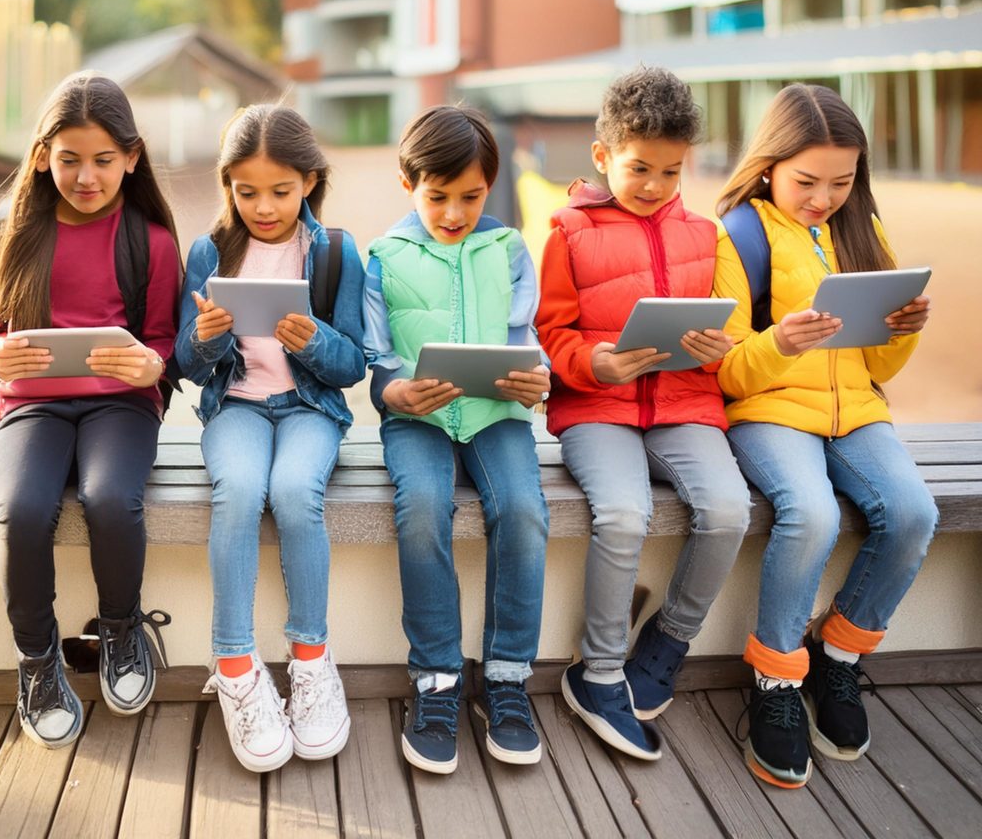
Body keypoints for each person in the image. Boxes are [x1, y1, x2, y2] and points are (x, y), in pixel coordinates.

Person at [714, 83, 937, 789]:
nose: (823, 198)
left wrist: (902, 333)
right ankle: (776, 679)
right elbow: (726, 371)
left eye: (841, 182)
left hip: (858, 414)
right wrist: (779, 342)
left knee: (912, 514)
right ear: (770, 164)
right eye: (807, 181)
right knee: (807, 514)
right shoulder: (738, 235)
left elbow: (879, 366)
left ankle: (838, 655)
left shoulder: (861, 231)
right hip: (771, 410)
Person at [535, 66, 751, 760]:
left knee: (728, 509)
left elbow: (731, 337)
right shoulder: (567, 232)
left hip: (686, 404)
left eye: (671, 170)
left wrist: (716, 348)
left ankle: (668, 641)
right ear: (602, 156)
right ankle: (597, 674)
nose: (655, 185)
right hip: (596, 409)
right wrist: (593, 362)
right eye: (639, 168)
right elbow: (551, 333)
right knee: (623, 513)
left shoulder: (706, 235)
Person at [0, 72, 180, 748]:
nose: (86, 177)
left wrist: (154, 364)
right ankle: (37, 659)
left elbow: (165, 344)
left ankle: (119, 628)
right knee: (23, 510)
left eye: (104, 161)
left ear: (133, 158)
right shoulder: (14, 234)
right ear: (40, 157)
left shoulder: (152, 241)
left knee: (110, 497)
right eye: (68, 160)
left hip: (121, 407)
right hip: (32, 410)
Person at [174, 105, 365, 773]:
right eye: (245, 191)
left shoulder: (334, 252)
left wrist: (315, 340)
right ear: (227, 184)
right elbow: (186, 365)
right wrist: (207, 338)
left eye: (280, 191)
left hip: (309, 407)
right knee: (239, 489)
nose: (263, 206)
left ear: (309, 180)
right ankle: (234, 665)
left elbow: (353, 368)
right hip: (238, 407)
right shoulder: (207, 252)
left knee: (293, 490)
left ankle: (310, 659)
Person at [364, 105, 551, 775]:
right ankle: (437, 679)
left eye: (470, 197)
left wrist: (534, 383)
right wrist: (394, 392)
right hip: (417, 417)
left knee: (525, 511)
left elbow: (527, 343)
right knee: (421, 510)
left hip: (497, 414)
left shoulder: (508, 248)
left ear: (490, 186)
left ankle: (504, 676)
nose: (453, 213)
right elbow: (374, 357)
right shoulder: (383, 256)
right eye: (437, 196)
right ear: (407, 182)